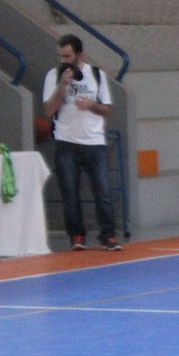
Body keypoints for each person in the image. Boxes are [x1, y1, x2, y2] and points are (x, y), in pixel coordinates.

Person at [42, 33, 121, 251]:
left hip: (94, 142)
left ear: (80, 55)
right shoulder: (53, 76)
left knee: (103, 191)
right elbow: (48, 110)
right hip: (66, 141)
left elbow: (107, 109)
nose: (64, 61)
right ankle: (77, 235)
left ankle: (108, 235)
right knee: (70, 193)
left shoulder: (96, 74)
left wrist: (91, 105)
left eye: (68, 56)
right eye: (61, 57)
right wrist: (62, 85)